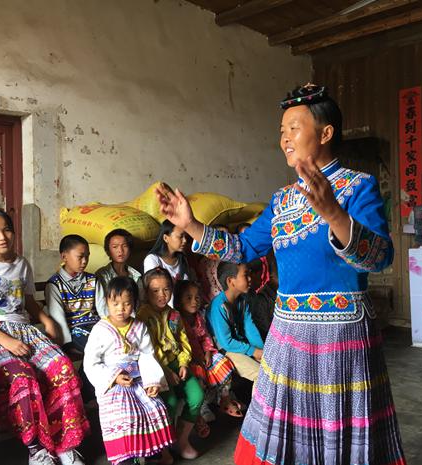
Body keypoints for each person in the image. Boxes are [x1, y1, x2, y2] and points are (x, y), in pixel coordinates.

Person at [155, 84, 406, 465]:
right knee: (284, 433)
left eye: (294, 128)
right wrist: (190, 225)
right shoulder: (283, 199)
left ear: (325, 133)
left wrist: (335, 214)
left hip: (341, 335)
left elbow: (379, 257)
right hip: (287, 333)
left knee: (338, 433)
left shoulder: (358, 186)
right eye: (282, 131)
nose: (285, 139)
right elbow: (241, 248)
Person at [0, 208, 90, 465]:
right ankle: (37, 447)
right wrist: (6, 341)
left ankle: (64, 443)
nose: (2, 237)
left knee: (62, 367)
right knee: (23, 377)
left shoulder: (22, 263)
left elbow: (29, 302)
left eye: (7, 229)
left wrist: (46, 320)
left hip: (26, 331)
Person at [83, 277, 174, 465]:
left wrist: (152, 382)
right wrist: (114, 377)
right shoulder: (100, 330)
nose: (120, 309)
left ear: (134, 304)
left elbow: (147, 355)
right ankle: (125, 459)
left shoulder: (139, 327)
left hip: (139, 381)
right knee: (123, 415)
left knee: (154, 407)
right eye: (115, 303)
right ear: (107, 301)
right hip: (113, 385)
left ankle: (152, 455)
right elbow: (91, 362)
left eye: (126, 304)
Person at [137, 268, 204, 460]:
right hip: (157, 368)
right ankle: (164, 447)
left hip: (177, 364)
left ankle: (180, 440)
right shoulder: (142, 316)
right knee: (170, 402)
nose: (162, 295)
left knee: (197, 395)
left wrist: (183, 363)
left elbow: (184, 341)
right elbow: (147, 350)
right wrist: (165, 371)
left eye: (166, 289)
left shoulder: (174, 314)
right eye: (155, 291)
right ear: (146, 292)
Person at [174, 280, 243, 423]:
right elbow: (180, 346)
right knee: (199, 379)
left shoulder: (198, 317)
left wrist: (207, 353)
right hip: (189, 360)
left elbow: (205, 337)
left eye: (197, 297)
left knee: (223, 362)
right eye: (188, 298)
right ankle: (202, 408)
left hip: (204, 355)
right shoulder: (176, 320)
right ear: (179, 301)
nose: (194, 301)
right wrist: (194, 359)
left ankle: (224, 399)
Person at [46, 234, 104, 351]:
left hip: (97, 327)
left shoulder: (93, 280)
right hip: (74, 331)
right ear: (64, 256)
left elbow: (103, 310)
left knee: (111, 345)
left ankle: (84, 370)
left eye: (87, 256)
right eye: (80, 257)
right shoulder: (55, 285)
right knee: (97, 350)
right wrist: (67, 344)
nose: (84, 261)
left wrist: (112, 329)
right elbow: (58, 318)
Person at [207, 263, 264, 383]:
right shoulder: (219, 306)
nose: (250, 278)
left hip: (240, 345)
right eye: (245, 275)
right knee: (261, 375)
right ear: (230, 281)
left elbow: (250, 328)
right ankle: (258, 402)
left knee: (270, 366)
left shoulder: (242, 301)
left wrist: (261, 350)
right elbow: (226, 342)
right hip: (225, 350)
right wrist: (253, 351)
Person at [144, 221, 190, 306]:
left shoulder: (183, 259)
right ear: (165, 238)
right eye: (180, 236)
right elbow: (155, 292)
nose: (185, 240)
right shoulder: (152, 260)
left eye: (185, 236)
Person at [95, 228, 143, 296]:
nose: (120, 250)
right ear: (108, 251)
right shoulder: (102, 275)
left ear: (130, 249)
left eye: (124, 246)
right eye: (115, 247)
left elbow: (142, 300)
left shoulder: (136, 275)